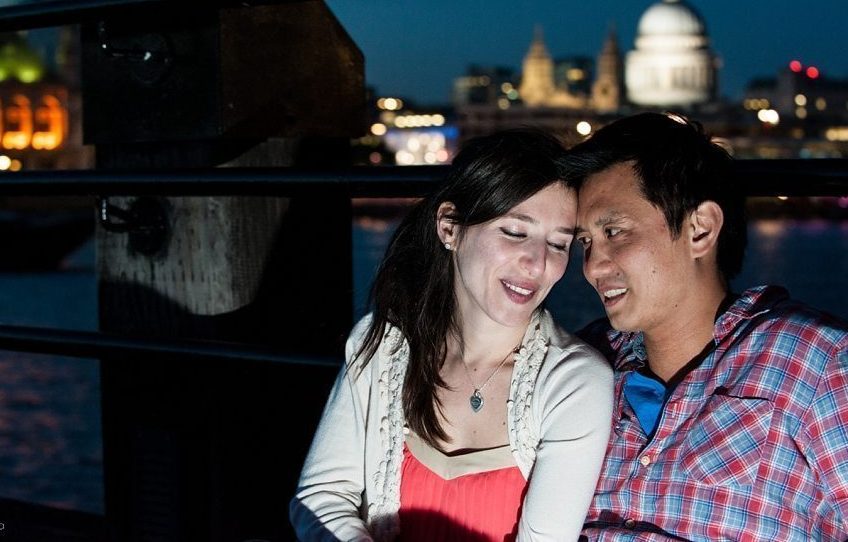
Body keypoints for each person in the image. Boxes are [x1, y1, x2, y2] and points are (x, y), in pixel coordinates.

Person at [289, 129, 614, 542]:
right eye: (515, 232)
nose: (537, 264)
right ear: (449, 227)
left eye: (558, 243)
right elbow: (322, 496)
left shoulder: (573, 381)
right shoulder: (382, 345)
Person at [567, 112, 848, 540]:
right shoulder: (583, 363)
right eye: (585, 241)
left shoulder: (815, 364)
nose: (592, 266)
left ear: (700, 229)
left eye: (615, 232)